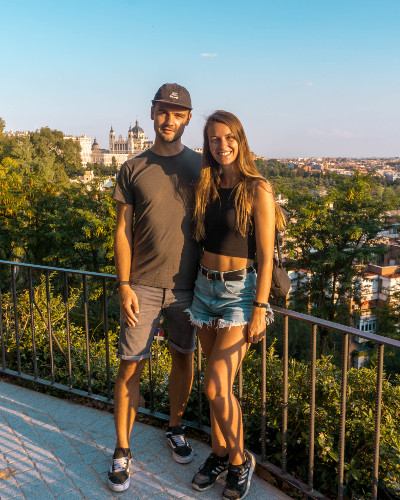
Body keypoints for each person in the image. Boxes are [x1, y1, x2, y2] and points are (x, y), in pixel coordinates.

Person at [186, 110, 286, 500]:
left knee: (215, 385)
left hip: (238, 295)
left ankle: (240, 461)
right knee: (219, 386)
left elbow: (264, 252)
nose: (222, 145)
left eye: (229, 138)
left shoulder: (257, 188)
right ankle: (218, 453)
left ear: (240, 141)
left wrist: (260, 308)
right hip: (202, 290)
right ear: (207, 145)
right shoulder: (206, 186)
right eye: (214, 139)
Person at [109, 83, 202, 492]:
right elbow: (123, 231)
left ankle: (175, 426)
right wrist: (124, 284)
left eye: (177, 114)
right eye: (163, 112)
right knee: (130, 364)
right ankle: (122, 449)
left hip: (189, 288)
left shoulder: (203, 167)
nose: (169, 120)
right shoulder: (132, 168)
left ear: (188, 119)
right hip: (142, 286)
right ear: (151, 114)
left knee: (183, 357)